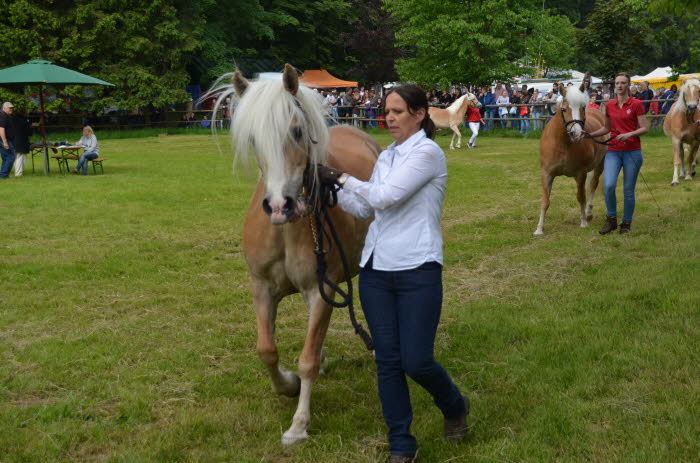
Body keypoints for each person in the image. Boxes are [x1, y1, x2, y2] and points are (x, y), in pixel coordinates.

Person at [317, 85, 469, 463]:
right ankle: (401, 443)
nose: (390, 117)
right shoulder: (386, 156)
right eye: (387, 111)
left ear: (420, 114)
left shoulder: (429, 153)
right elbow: (367, 208)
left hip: (418, 268)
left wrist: (339, 176)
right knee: (387, 361)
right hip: (376, 272)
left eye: (398, 111)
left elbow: (386, 197)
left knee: (416, 361)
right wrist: (329, 192)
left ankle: (454, 404)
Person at [584, 72, 649, 235]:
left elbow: (644, 127)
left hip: (632, 152)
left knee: (628, 189)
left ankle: (626, 223)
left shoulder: (636, 104)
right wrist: (589, 135)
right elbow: (606, 128)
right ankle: (611, 220)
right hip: (613, 151)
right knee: (609, 185)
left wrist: (629, 134)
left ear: (628, 85)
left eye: (623, 83)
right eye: (617, 83)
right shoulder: (610, 105)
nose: (619, 86)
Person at [12, 109, 32, 177]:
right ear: (23, 114)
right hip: (22, 141)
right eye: (26, 113)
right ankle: (18, 173)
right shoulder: (24, 121)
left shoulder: (12, 119)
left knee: (17, 157)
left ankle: (18, 171)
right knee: (20, 157)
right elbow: (29, 132)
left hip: (13, 140)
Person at [0, 102, 16, 179]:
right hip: (5, 140)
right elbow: (1, 129)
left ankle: (3, 175)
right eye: (9, 108)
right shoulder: (3, 116)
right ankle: (4, 175)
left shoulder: (5, 115)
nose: (11, 109)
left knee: (5, 158)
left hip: (5, 140)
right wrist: (5, 141)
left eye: (12, 108)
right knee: (11, 157)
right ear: (4, 108)